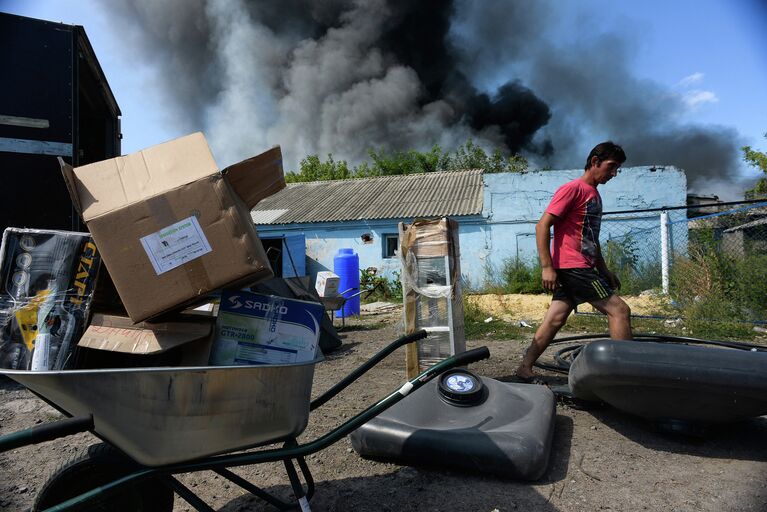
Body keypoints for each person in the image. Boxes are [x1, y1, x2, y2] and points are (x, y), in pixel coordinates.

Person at [515, 141, 632, 382]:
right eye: (611, 167)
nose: (614, 174)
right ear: (595, 162)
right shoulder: (573, 189)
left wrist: (604, 270)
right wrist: (547, 266)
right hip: (574, 267)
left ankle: (525, 366)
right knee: (619, 310)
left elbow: (591, 239)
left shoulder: (594, 195)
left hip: (581, 266)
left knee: (555, 318)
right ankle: (626, 374)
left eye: (617, 168)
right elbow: (542, 225)